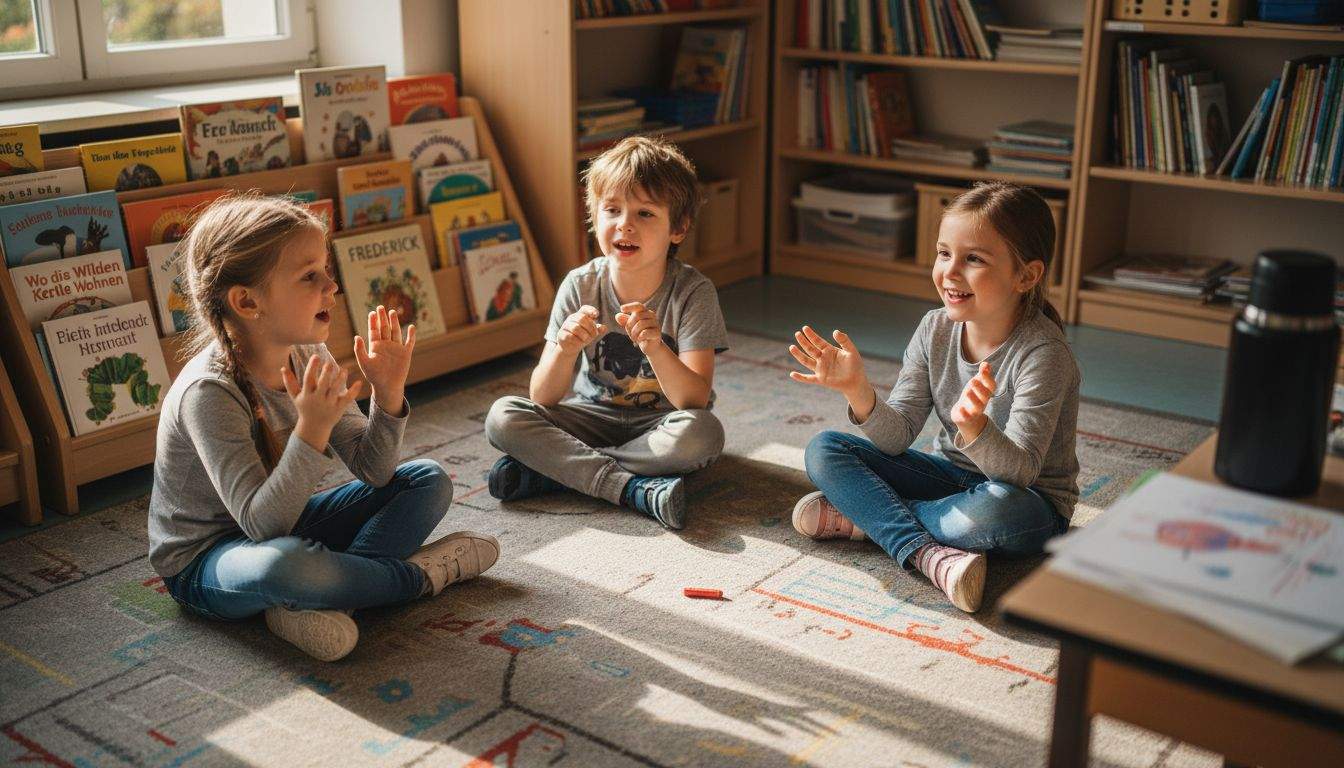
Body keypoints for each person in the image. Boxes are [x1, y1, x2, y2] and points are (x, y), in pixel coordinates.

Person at [147, 193, 500, 662]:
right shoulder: (208, 392)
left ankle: (323, 598)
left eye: (326, 269)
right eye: (310, 275)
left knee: (427, 480)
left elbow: (374, 472)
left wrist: (388, 395)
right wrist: (310, 432)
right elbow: (262, 526)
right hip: (207, 560)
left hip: (286, 520)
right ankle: (418, 578)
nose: (331, 286)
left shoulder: (308, 351)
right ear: (247, 301)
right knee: (288, 564)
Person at [788, 181, 1079, 613]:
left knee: (995, 512)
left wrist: (974, 427)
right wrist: (859, 392)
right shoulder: (934, 328)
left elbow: (1018, 474)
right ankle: (929, 554)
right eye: (944, 253)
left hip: (1027, 504)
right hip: (952, 479)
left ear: (1027, 275)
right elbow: (897, 437)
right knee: (825, 449)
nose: (951, 272)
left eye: (974, 258)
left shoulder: (1044, 355)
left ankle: (868, 517)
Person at [484, 136, 727, 529]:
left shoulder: (693, 293)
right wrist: (564, 349)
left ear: (678, 228)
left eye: (645, 213)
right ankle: (631, 488)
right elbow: (543, 396)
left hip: (661, 425)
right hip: (589, 417)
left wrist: (655, 347)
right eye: (611, 209)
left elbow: (694, 400)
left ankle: (554, 471)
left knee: (703, 435)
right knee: (502, 416)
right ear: (595, 218)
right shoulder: (579, 285)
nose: (624, 224)